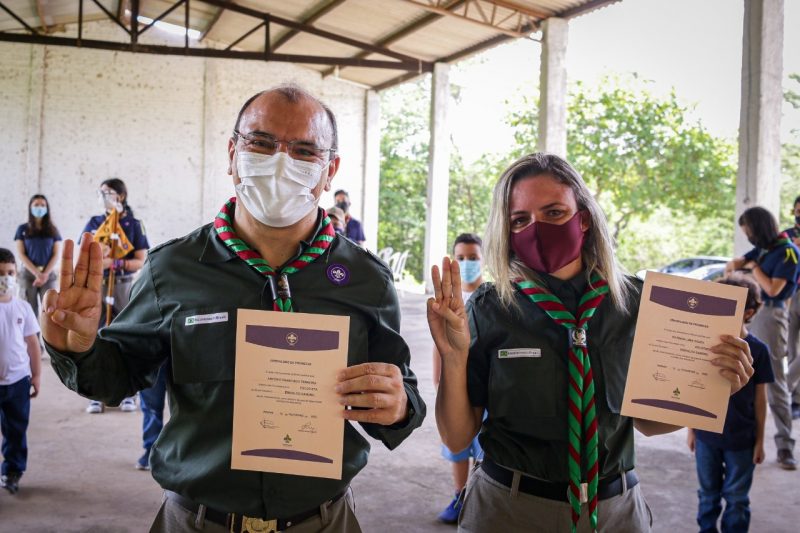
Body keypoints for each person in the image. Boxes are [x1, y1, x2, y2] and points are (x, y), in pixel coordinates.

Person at [42, 84, 425, 532]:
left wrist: (398, 406)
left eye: (304, 150)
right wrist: (79, 347)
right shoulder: (174, 269)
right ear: (232, 154)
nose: (281, 162)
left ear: (330, 169)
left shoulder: (366, 279)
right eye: (261, 143)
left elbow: (403, 393)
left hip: (322, 521)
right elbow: (118, 377)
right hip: (197, 521)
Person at [428, 153, 754, 533]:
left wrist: (711, 386)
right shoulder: (490, 308)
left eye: (553, 213)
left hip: (614, 510)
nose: (536, 228)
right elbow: (456, 435)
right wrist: (453, 357)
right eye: (520, 220)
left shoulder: (636, 303)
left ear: (583, 218)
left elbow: (649, 421)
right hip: (510, 509)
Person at [687, 274, 773, 533]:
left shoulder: (758, 351)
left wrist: (759, 440)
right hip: (706, 436)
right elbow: (696, 388)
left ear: (748, 312)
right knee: (707, 494)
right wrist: (692, 429)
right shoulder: (707, 346)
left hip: (742, 440)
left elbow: (761, 398)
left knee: (736, 499)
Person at [726, 206, 800, 470]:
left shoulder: (787, 251)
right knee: (736, 373)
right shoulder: (765, 248)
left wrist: (753, 267)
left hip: (771, 315)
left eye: (750, 232)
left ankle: (784, 445)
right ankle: (738, 440)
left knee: (774, 382)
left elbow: (772, 288)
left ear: (760, 228)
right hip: (749, 313)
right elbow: (733, 266)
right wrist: (737, 267)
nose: (748, 238)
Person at [80, 178, 149, 414]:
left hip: (122, 284)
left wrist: (116, 261)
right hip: (98, 283)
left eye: (107, 192)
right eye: (101, 192)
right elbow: (83, 250)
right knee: (96, 335)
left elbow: (140, 260)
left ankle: (129, 393)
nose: (103, 196)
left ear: (120, 196)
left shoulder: (132, 224)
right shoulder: (95, 223)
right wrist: (99, 256)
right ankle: (96, 393)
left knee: (125, 335)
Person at [432, 233, 485, 524]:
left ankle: (482, 496)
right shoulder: (451, 299)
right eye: (461, 258)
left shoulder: (490, 298)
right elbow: (440, 342)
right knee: (457, 448)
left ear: (484, 259)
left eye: (473, 258)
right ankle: (460, 494)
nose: (467, 263)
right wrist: (440, 380)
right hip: (457, 386)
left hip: (484, 387)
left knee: (483, 447)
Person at [0, 248, 41, 495]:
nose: (5, 278)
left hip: (17, 382)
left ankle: (12, 471)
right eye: (0, 273)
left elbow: (33, 343)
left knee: (16, 429)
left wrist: (36, 375)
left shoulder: (23, 308)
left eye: (10, 272)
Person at [14, 194, 62, 319]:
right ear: (30, 207)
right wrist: (37, 274)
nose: (39, 207)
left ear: (47, 208)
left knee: (50, 312)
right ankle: (32, 338)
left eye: (43, 205)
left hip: (49, 275)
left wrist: (45, 274)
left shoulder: (53, 230)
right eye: (36, 205)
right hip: (28, 275)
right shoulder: (22, 229)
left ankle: (48, 339)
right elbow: (21, 254)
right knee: (28, 311)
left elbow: (56, 254)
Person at [782, 196, 800, 420]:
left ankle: (783, 386)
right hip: (789, 296)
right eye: (797, 210)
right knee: (791, 348)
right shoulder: (786, 235)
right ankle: (795, 399)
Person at [136, 364, 168, 471]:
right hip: (150, 357)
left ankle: (186, 451)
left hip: (183, 353)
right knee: (151, 409)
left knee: (186, 407)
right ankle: (151, 451)